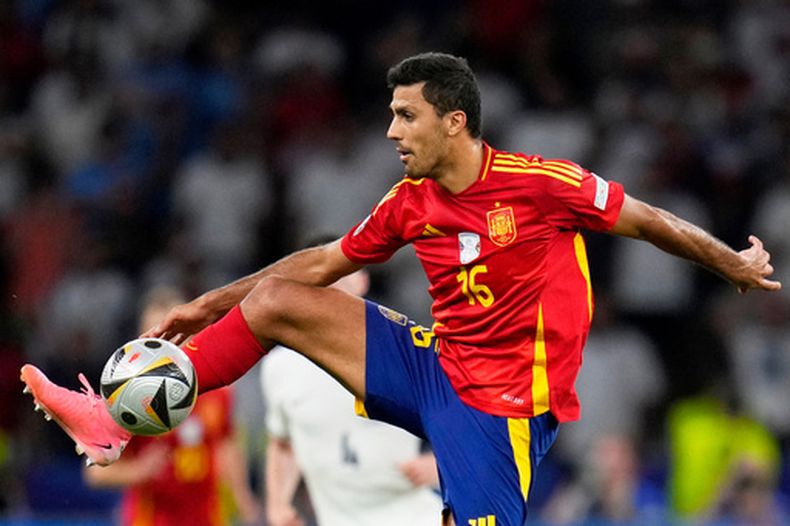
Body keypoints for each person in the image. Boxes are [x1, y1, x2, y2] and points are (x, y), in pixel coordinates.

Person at [20, 52, 781, 526]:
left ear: (454, 122)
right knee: (277, 302)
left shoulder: (543, 185)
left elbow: (646, 220)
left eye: (405, 115)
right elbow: (317, 267)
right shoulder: (407, 201)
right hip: (433, 364)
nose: (391, 131)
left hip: (503, 411)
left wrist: (733, 265)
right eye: (390, 115)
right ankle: (112, 423)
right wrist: (211, 303)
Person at [260, 249, 441, 526]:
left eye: (343, 274)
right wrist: (277, 505)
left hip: (412, 514)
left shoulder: (400, 348)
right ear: (302, 288)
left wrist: (440, 467)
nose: (335, 284)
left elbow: (466, 417)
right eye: (325, 277)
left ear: (362, 281)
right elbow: (283, 441)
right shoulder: (281, 367)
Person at [82, 286, 262, 526]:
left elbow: (225, 445)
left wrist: (242, 496)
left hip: (207, 519)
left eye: (173, 334)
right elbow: (94, 473)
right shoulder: (126, 399)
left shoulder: (219, 393)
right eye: (157, 338)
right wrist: (139, 471)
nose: (165, 346)